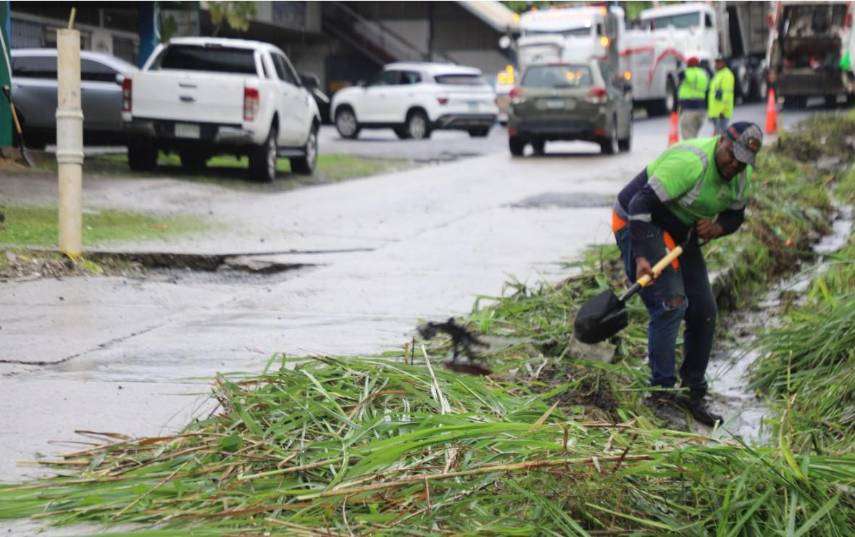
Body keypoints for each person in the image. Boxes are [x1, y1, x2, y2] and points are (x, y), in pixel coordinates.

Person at [610, 122, 764, 426]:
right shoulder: (691, 163)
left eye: (743, 162)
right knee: (671, 302)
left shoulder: (741, 179)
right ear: (722, 142)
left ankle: (693, 391)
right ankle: (662, 395)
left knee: (704, 311)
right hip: (637, 220)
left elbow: (735, 215)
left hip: (680, 232)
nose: (735, 166)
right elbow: (640, 203)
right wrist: (641, 256)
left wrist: (718, 228)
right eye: (732, 157)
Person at [677, 56, 709, 140]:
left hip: (688, 110)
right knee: (693, 136)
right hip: (701, 110)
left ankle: (691, 153)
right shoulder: (703, 73)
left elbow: (679, 75)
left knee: (688, 138)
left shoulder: (686, 72)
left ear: (688, 65)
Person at [708, 55, 735, 135]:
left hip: (722, 112)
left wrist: (723, 110)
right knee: (718, 135)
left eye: (718, 62)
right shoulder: (718, 74)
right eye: (716, 62)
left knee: (722, 135)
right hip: (715, 112)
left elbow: (727, 94)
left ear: (724, 63)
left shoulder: (727, 75)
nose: (716, 64)